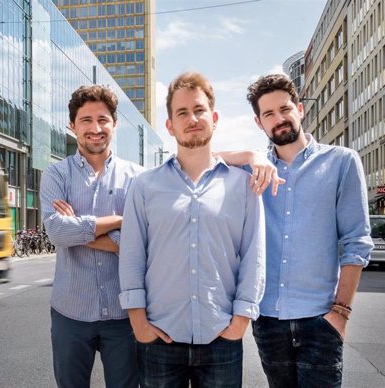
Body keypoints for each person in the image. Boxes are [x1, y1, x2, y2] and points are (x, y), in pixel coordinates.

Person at [118, 71, 266, 387]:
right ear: (170, 125)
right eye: (182, 112)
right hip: (159, 338)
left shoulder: (243, 186)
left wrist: (240, 321)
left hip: (221, 336)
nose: (192, 118)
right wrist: (139, 324)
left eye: (199, 110)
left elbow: (254, 255)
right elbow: (132, 255)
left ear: (213, 117)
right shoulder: (144, 186)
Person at [243, 74, 374, 388]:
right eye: (269, 114)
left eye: (285, 109)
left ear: (299, 109)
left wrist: (340, 313)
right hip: (268, 320)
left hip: (320, 319)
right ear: (259, 122)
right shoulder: (254, 171)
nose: (280, 119)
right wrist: (250, 156)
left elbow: (356, 241)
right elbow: (208, 161)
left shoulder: (341, 162)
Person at [40, 85, 143, 388]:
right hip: (70, 312)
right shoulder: (56, 174)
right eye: (86, 120)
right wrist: (121, 222)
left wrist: (77, 229)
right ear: (72, 126)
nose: (95, 128)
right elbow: (57, 231)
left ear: (115, 124)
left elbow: (142, 242)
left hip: (124, 314)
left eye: (103, 120)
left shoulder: (137, 178)